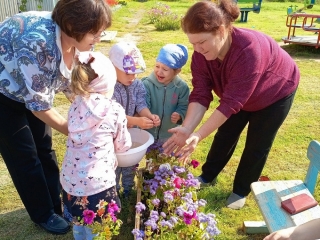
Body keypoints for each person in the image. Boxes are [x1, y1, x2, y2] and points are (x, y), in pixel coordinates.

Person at [163, 0, 300, 210]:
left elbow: (230, 104)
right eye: (193, 44)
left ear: (220, 31)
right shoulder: (201, 56)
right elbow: (200, 93)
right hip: (237, 93)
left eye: (201, 43)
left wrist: (198, 136)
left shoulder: (248, 50)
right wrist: (188, 128)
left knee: (257, 144)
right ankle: (208, 176)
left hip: (275, 92)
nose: (197, 50)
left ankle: (241, 190)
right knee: (225, 134)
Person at [0, 0, 112, 235]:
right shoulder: (36, 41)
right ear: (73, 26)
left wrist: (90, 114)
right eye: (95, 32)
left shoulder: (76, 43)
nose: (99, 38)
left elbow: (71, 85)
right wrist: (77, 131)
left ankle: (55, 204)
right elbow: (39, 107)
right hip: (3, 92)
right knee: (24, 155)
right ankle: (43, 213)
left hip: (29, 88)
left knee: (45, 147)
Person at [60, 51, 131, 240]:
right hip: (98, 186)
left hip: (70, 182)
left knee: (80, 223)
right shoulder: (114, 109)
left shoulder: (75, 105)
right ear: (109, 83)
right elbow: (123, 146)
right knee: (98, 231)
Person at [109, 41, 160, 197]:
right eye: (128, 73)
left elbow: (140, 105)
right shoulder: (109, 87)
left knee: (130, 163)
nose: (132, 77)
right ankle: (113, 190)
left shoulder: (137, 85)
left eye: (135, 72)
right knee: (115, 163)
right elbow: (113, 115)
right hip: (113, 134)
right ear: (113, 67)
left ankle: (128, 190)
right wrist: (137, 121)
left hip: (130, 133)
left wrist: (148, 115)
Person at [142, 44, 190, 143]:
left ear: (177, 71)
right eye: (157, 66)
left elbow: (184, 106)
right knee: (151, 157)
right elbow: (142, 105)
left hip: (169, 134)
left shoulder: (182, 88)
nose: (159, 71)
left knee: (165, 157)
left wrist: (180, 114)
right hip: (149, 132)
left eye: (165, 69)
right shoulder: (147, 84)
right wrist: (149, 115)